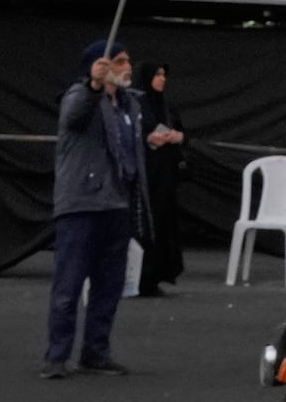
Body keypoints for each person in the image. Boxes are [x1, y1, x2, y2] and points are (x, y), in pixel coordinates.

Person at [44, 40, 147, 378]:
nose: (126, 67)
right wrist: (92, 86)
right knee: (69, 284)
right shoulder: (79, 95)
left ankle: (96, 352)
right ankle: (56, 356)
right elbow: (73, 119)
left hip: (118, 204)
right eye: (118, 61)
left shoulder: (130, 104)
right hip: (82, 203)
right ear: (98, 66)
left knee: (109, 286)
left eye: (127, 60)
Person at [131, 61, 190, 297]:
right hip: (144, 178)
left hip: (165, 176)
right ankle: (139, 276)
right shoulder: (135, 105)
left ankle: (156, 275)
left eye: (164, 74)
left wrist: (178, 137)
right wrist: (147, 139)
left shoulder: (167, 106)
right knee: (145, 222)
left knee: (163, 223)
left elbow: (184, 134)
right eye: (157, 75)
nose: (162, 79)